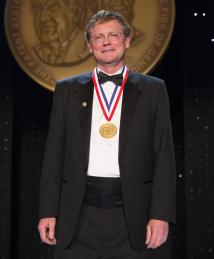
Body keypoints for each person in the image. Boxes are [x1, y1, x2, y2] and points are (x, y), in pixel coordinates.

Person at [38, 10, 176, 259]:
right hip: (77, 214)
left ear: (127, 40)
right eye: (98, 37)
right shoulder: (67, 90)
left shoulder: (154, 90)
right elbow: (53, 155)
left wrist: (161, 214)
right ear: (90, 46)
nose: (106, 41)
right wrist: (47, 211)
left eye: (113, 34)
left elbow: (164, 156)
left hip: (132, 215)